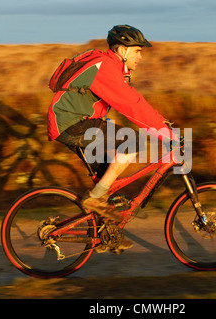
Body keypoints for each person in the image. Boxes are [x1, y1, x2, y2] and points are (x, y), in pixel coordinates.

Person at [47, 25, 173, 251]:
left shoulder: (113, 68)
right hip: (70, 123)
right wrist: (164, 132)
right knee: (131, 142)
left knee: (107, 182)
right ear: (123, 50)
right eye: (137, 51)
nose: (141, 56)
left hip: (77, 122)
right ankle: (95, 200)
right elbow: (131, 105)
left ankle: (107, 233)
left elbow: (133, 100)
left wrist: (161, 124)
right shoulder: (105, 68)